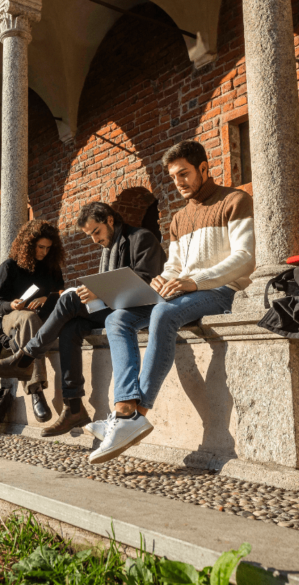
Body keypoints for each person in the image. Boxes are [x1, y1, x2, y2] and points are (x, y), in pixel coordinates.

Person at [87, 140, 256, 464]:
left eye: (184, 174)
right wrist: (161, 279)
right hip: (184, 291)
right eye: (173, 176)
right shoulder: (179, 218)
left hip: (222, 290)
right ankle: (124, 409)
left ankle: (137, 415)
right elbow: (175, 266)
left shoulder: (235, 200)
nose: (178, 182)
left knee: (163, 313)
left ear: (204, 168)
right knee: (116, 319)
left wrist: (195, 281)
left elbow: (245, 258)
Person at [0, 202, 166, 437]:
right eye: (89, 235)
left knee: (68, 301)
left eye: (96, 232)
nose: (94, 240)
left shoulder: (142, 238)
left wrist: (98, 291)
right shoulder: (109, 246)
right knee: (71, 327)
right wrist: (96, 291)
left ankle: (26, 356)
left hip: (140, 309)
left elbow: (146, 281)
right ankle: (74, 408)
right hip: (116, 307)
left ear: (110, 220)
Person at [0, 220, 66, 422]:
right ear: (28, 244)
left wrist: (47, 298)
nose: (43, 252)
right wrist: (13, 305)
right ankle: (35, 389)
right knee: (28, 317)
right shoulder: (10, 266)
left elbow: (62, 293)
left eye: (48, 248)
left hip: (41, 316)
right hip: (13, 317)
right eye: (40, 247)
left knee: (34, 319)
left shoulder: (51, 266)